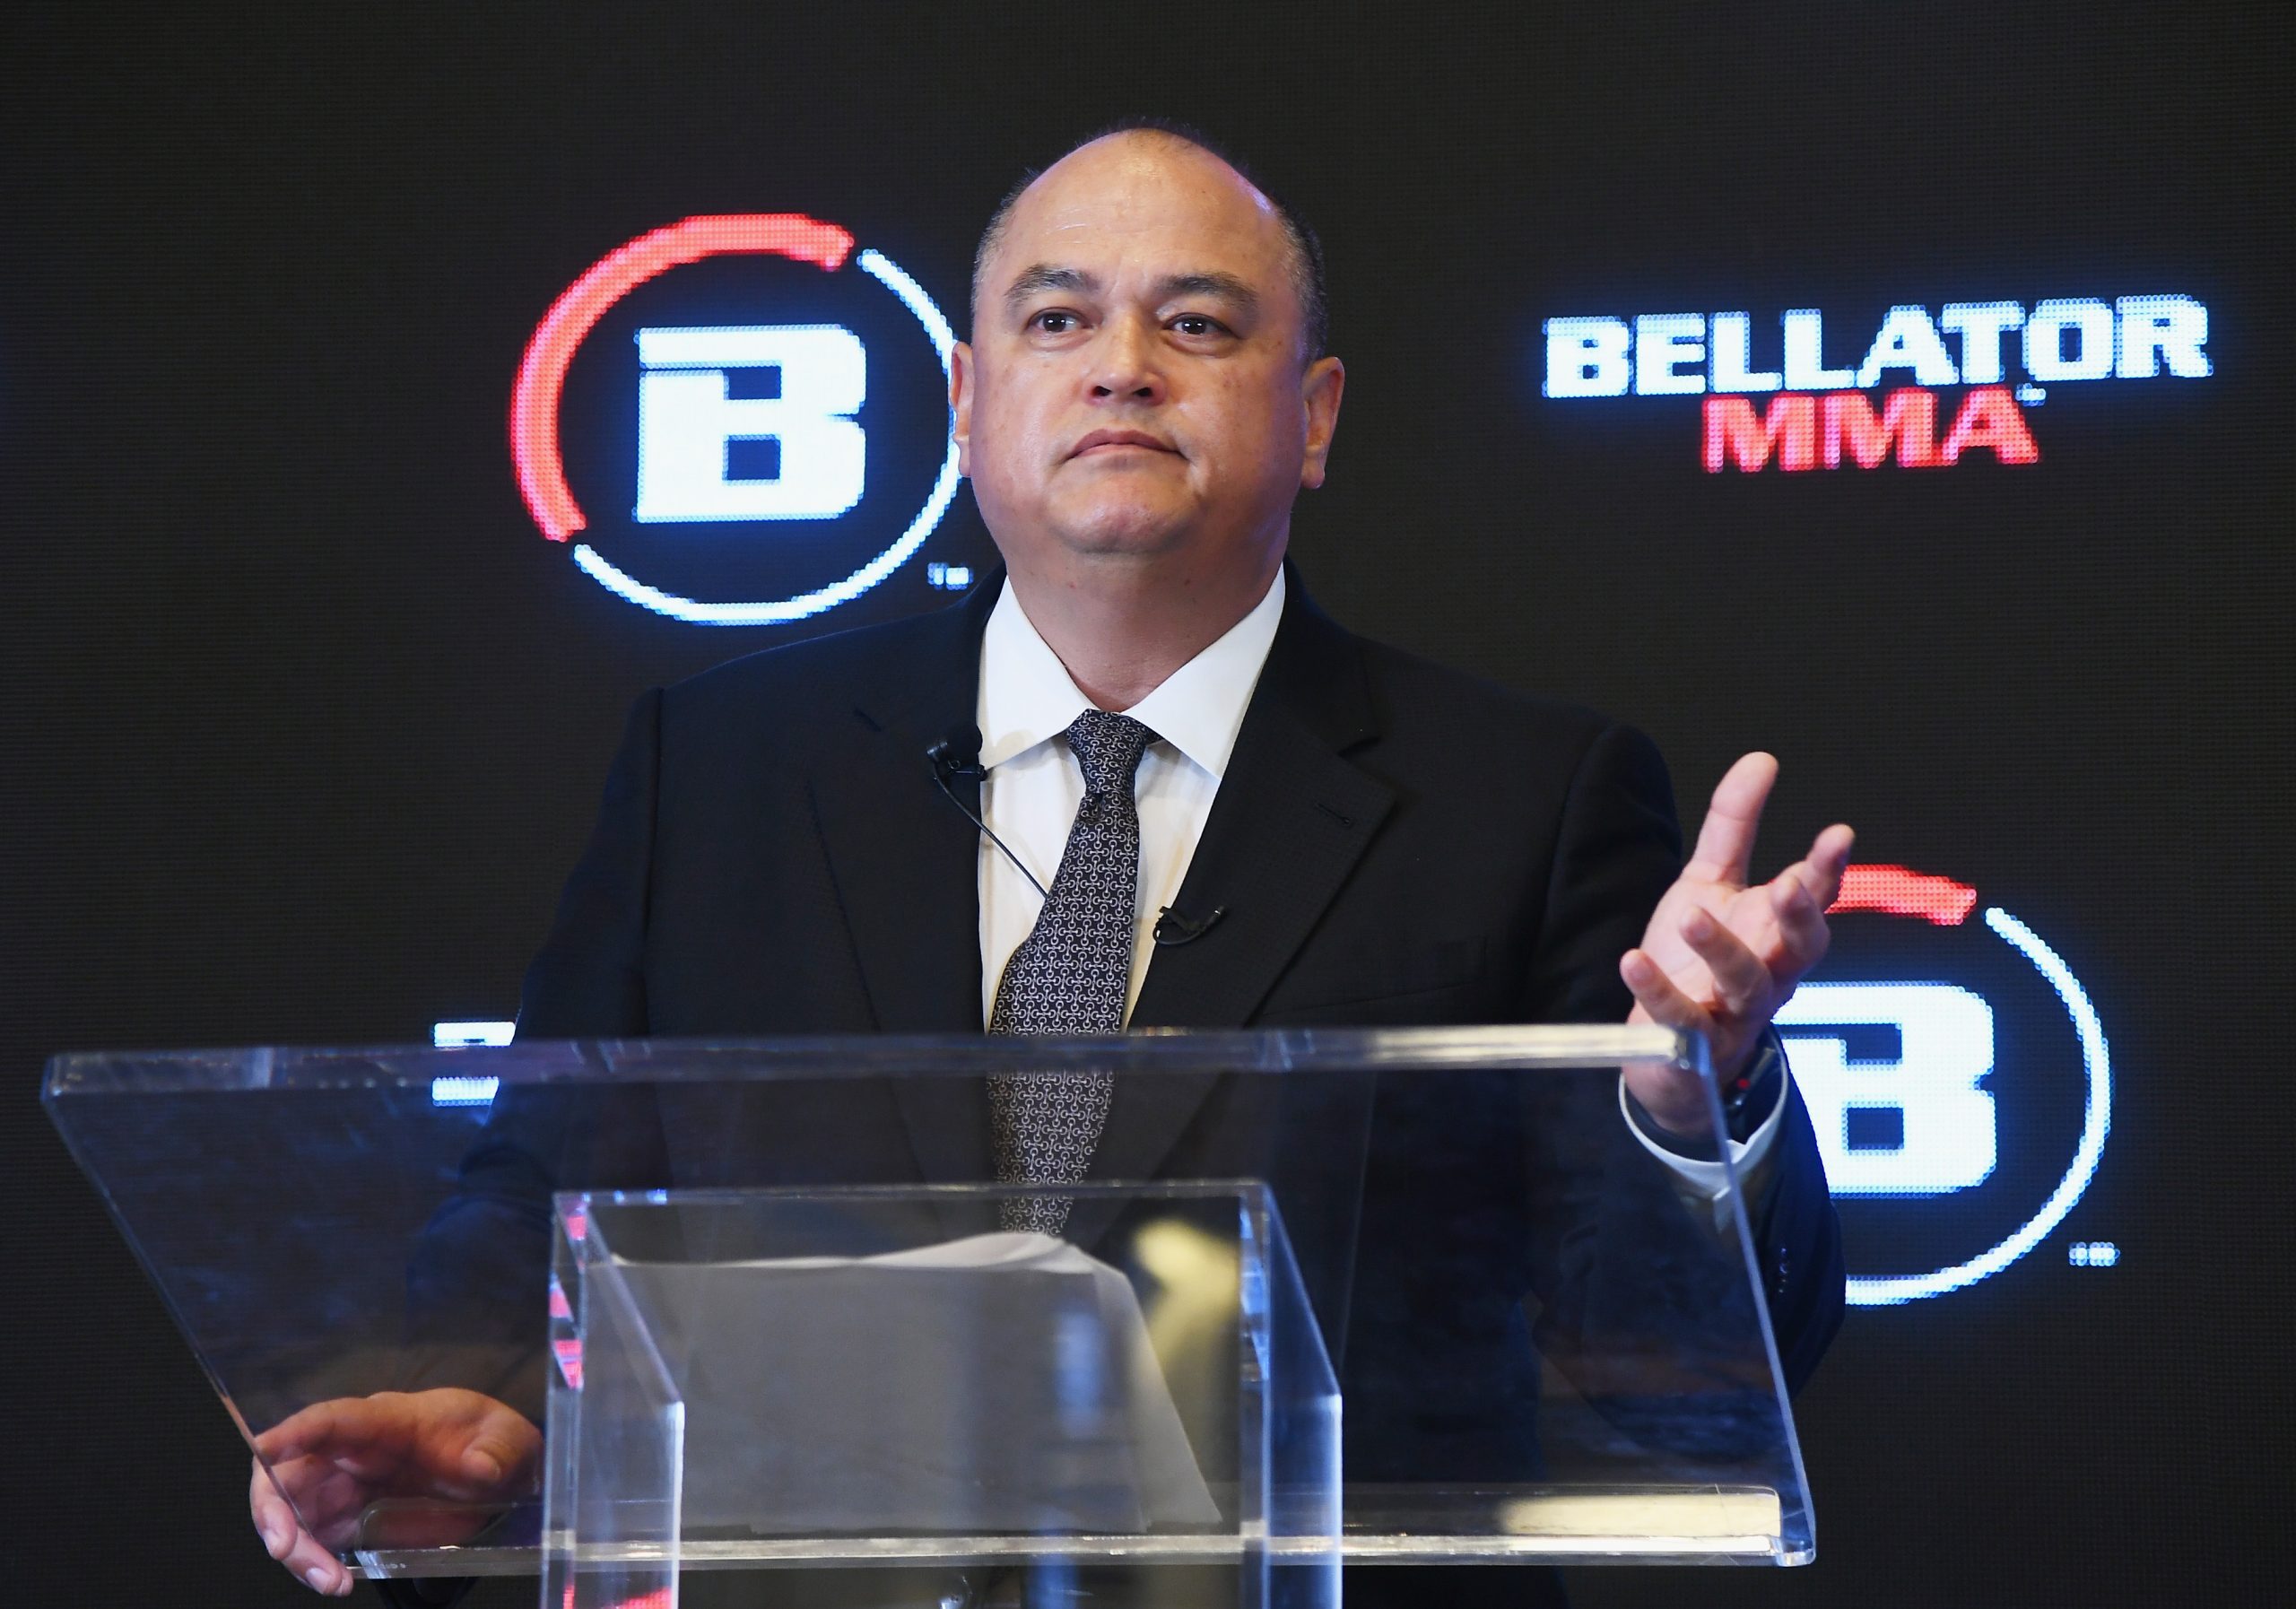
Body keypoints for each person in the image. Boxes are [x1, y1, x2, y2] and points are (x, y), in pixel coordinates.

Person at [251, 121, 1850, 1602]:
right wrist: (470, 1384)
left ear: (1314, 416)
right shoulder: (718, 767)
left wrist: (1690, 1104)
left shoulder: (1526, 797)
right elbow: (542, 1180)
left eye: (1198, 324)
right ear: (965, 401)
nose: (1122, 368)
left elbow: (1691, 1372)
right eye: (1059, 317)